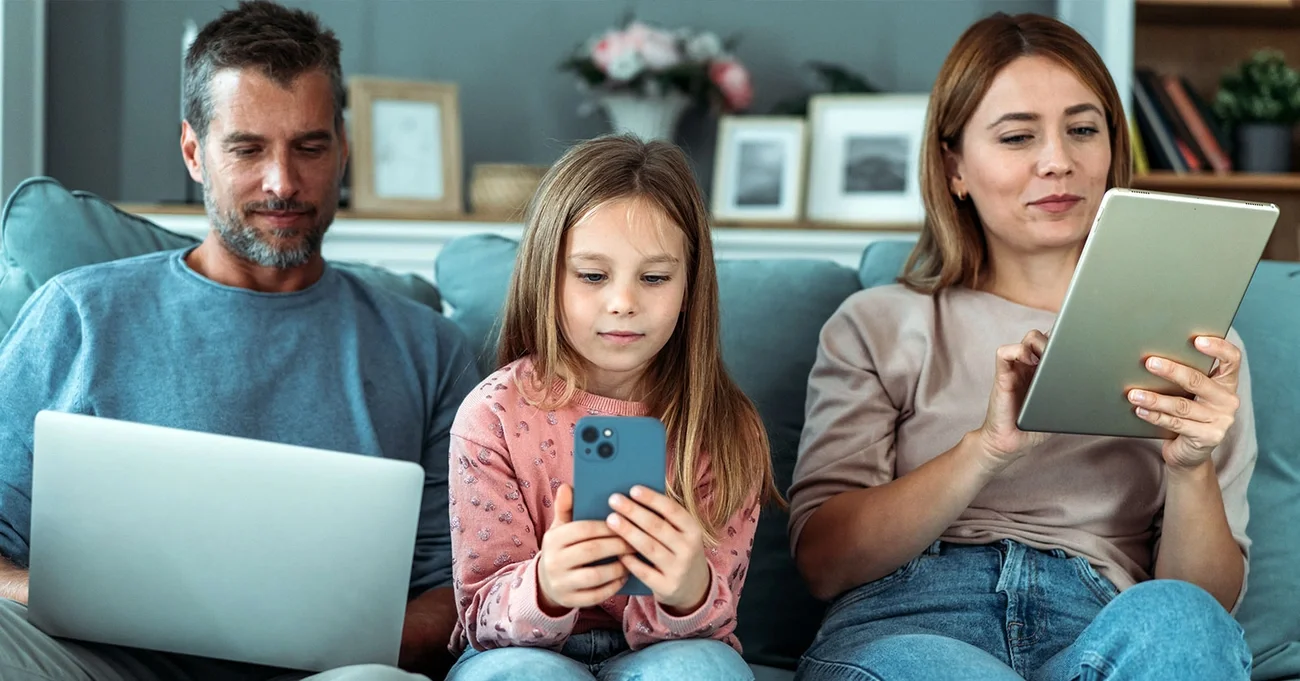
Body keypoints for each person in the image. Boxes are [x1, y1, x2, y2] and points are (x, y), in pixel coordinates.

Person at [0, 2, 479, 679]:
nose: (283, 182)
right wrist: (74, 604)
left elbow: (454, 588)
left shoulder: (428, 349)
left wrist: (328, 639)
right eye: (248, 148)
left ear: (341, 148)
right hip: (103, 662)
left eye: (309, 147)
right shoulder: (79, 314)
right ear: (195, 151)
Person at [788, 12, 1256, 681]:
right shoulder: (880, 322)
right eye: (1017, 136)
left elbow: (1203, 615)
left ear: (1111, 151)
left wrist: (1190, 466)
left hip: (1100, 622)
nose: (1058, 159)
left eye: (1083, 129)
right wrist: (985, 449)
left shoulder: (1198, 338)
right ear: (955, 166)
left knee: (1182, 618)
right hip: (913, 618)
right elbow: (822, 561)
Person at [442, 135, 780, 681]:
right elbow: (480, 616)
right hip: (524, 653)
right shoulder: (494, 417)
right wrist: (546, 587)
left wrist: (687, 591)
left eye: (654, 277)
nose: (623, 301)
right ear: (545, 279)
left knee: (703, 671)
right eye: (593, 275)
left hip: (664, 653)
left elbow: (713, 625)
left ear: (690, 286)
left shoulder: (726, 430)